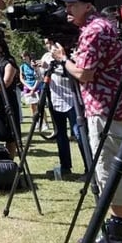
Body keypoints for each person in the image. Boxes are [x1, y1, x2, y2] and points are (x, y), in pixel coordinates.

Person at [51, 0, 122, 243]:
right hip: (120, 105)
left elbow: (84, 74)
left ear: (88, 6)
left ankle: (117, 232)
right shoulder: (105, 26)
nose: (67, 9)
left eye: (73, 5)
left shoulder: (93, 31)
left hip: (103, 107)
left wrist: (63, 59)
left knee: (108, 167)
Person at [40, 38, 82, 179]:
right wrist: (40, 67)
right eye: (46, 43)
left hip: (73, 99)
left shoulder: (72, 54)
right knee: (60, 135)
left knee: (79, 133)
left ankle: (89, 167)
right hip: (55, 100)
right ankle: (65, 167)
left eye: (50, 42)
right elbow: (43, 76)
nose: (49, 46)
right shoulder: (46, 57)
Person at [19, 51, 46, 132]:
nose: (24, 58)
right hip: (28, 87)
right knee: (32, 106)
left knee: (40, 106)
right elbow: (22, 78)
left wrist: (34, 88)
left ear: (28, 56)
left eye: (25, 56)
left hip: (37, 86)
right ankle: (36, 121)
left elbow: (39, 76)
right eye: (22, 57)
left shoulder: (34, 64)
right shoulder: (22, 66)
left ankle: (44, 122)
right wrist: (28, 87)